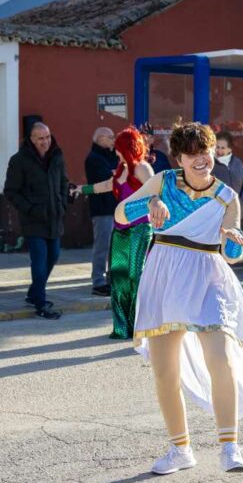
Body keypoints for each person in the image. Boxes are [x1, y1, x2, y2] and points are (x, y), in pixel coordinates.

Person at [115, 121, 243, 474]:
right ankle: (180, 449)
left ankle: (230, 446)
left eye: (207, 152)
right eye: (193, 155)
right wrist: (150, 203)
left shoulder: (227, 197)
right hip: (165, 275)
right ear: (180, 158)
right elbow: (121, 214)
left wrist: (232, 238)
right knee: (164, 370)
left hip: (206, 276)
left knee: (221, 358)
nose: (202, 160)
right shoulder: (164, 182)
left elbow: (230, 255)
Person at [79, 127, 155, 339]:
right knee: (119, 276)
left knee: (135, 275)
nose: (115, 151)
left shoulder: (142, 168)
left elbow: (155, 193)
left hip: (140, 228)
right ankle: (122, 328)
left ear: (128, 148)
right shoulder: (121, 168)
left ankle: (142, 325)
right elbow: (106, 185)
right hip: (120, 229)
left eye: (119, 147)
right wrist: (82, 189)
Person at [3, 122, 73, 320]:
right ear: (31, 140)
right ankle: (41, 303)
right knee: (39, 261)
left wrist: (62, 204)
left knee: (54, 256)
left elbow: (63, 182)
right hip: (33, 220)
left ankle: (34, 292)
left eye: (48, 137)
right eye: (41, 138)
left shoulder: (57, 156)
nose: (45, 142)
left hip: (54, 217)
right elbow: (11, 191)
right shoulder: (19, 160)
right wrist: (30, 209)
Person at [85, 127, 118, 296]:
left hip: (114, 207)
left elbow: (116, 173)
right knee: (102, 246)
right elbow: (108, 178)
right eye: (110, 137)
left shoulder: (110, 156)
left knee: (114, 247)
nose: (114, 140)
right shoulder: (94, 158)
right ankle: (98, 281)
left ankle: (112, 279)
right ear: (100, 139)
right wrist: (115, 173)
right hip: (102, 209)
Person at [213, 131, 243, 211]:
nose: (219, 151)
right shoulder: (211, 164)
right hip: (217, 212)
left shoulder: (237, 162)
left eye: (223, 148)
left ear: (230, 149)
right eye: (217, 147)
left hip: (237, 210)